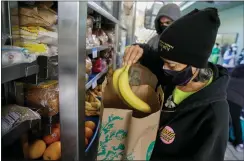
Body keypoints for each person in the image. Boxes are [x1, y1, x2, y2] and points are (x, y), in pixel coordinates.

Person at [123, 8, 229, 160]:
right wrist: (138, 49)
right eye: (164, 62)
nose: (164, 69)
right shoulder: (174, 76)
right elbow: (150, 56)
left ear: (196, 65)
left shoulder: (214, 115)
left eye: (171, 65)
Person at [227, 64, 244, 152]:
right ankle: (239, 143)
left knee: (225, 120)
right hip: (237, 103)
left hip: (224, 98)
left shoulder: (230, 78)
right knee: (236, 122)